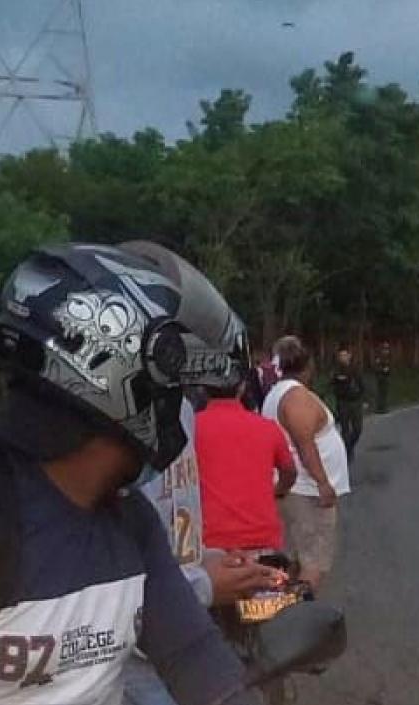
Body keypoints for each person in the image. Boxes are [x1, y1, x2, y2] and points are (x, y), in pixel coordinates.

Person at [0, 242, 259, 705]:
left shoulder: (130, 522)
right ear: (121, 384)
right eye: (175, 394)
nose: (182, 413)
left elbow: (195, 658)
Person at [116, 241, 280, 705]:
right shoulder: (111, 434)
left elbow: (168, 525)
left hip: (181, 637)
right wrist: (207, 585)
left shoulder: (182, 412)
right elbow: (104, 565)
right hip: (130, 665)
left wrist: (210, 558)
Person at [262, 336, 351, 593]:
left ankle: (282, 610)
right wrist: (323, 482)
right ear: (308, 365)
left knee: (294, 560)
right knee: (313, 561)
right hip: (306, 491)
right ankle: (299, 618)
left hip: (292, 488)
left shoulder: (276, 394)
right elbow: (305, 444)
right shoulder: (296, 397)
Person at [196, 383, 296, 554]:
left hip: (211, 542)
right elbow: (289, 472)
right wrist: (278, 490)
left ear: (202, 389)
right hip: (262, 538)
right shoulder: (267, 427)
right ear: (242, 387)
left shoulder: (191, 428)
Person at [329, 345, 365, 461]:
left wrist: (364, 399)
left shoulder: (355, 368)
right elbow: (332, 384)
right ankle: (347, 452)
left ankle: (349, 446)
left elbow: (362, 384)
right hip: (343, 402)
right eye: (341, 356)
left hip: (356, 402)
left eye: (345, 355)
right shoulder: (336, 370)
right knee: (345, 429)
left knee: (357, 429)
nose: (343, 358)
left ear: (350, 356)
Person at [372, 341, 393, 414]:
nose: (386, 351)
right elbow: (376, 367)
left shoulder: (388, 357)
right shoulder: (379, 358)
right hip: (380, 377)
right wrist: (382, 370)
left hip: (386, 377)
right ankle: (379, 408)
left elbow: (390, 366)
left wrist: (388, 370)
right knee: (380, 393)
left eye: (387, 349)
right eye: (385, 349)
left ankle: (384, 407)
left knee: (385, 393)